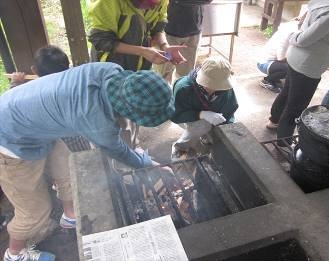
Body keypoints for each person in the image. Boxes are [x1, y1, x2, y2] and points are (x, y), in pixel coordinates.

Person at [0, 62, 175, 261]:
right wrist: (150, 165)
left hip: (31, 118)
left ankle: (69, 216)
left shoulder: (109, 69)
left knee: (67, 171)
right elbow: (119, 151)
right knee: (34, 210)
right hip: (9, 139)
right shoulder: (96, 121)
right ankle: (14, 253)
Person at [266, 0, 329, 144]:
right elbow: (305, 38)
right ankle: (283, 142)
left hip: (297, 58)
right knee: (295, 107)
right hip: (307, 64)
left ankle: (274, 120)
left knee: (287, 92)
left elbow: (305, 25)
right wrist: (292, 37)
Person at [88, 0, 186, 72]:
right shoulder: (107, 2)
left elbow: (157, 28)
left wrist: (165, 46)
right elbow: (101, 40)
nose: (152, 7)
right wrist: (142, 51)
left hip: (140, 66)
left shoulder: (161, 2)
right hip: (110, 67)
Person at [170, 56, 238, 161]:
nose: (213, 88)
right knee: (202, 125)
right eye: (209, 83)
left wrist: (224, 127)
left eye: (218, 85)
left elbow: (230, 109)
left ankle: (206, 136)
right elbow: (176, 115)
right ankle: (180, 148)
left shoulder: (226, 89)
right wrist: (201, 114)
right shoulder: (184, 87)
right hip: (187, 119)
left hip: (213, 118)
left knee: (224, 131)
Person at [156, 0, 212, 84]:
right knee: (164, 72)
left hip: (194, 31)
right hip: (171, 32)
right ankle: (164, 94)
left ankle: (181, 94)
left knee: (187, 75)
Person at [256, 20, 299, 93]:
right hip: (264, 63)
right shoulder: (284, 38)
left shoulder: (289, 30)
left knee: (292, 65)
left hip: (271, 62)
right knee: (288, 68)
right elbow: (281, 58)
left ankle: (275, 77)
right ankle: (267, 80)